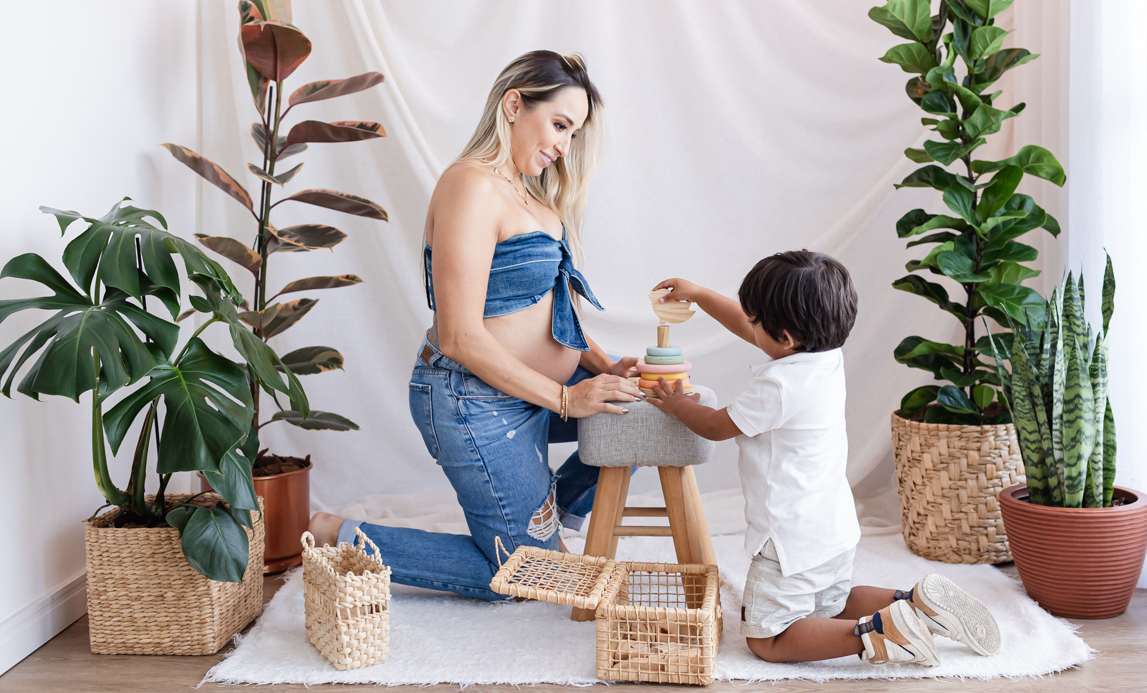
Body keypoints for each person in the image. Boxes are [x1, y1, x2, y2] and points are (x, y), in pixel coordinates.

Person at [307, 51, 644, 599]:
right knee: (525, 579)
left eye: (574, 134)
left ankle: (537, 517)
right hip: (472, 400)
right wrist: (566, 398)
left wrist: (605, 368)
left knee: (637, 417)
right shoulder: (471, 185)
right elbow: (460, 337)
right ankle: (341, 536)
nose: (564, 145)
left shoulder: (535, 196)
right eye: (560, 125)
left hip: (526, 397)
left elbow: (550, 310)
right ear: (514, 105)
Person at [648, 251, 1001, 666]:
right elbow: (753, 329)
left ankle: (886, 633)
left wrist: (677, 405)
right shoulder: (824, 358)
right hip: (832, 530)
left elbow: (715, 427)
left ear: (785, 337)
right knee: (833, 606)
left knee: (769, 638)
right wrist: (701, 295)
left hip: (787, 542)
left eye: (757, 320)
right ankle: (917, 602)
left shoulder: (778, 386)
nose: (750, 325)